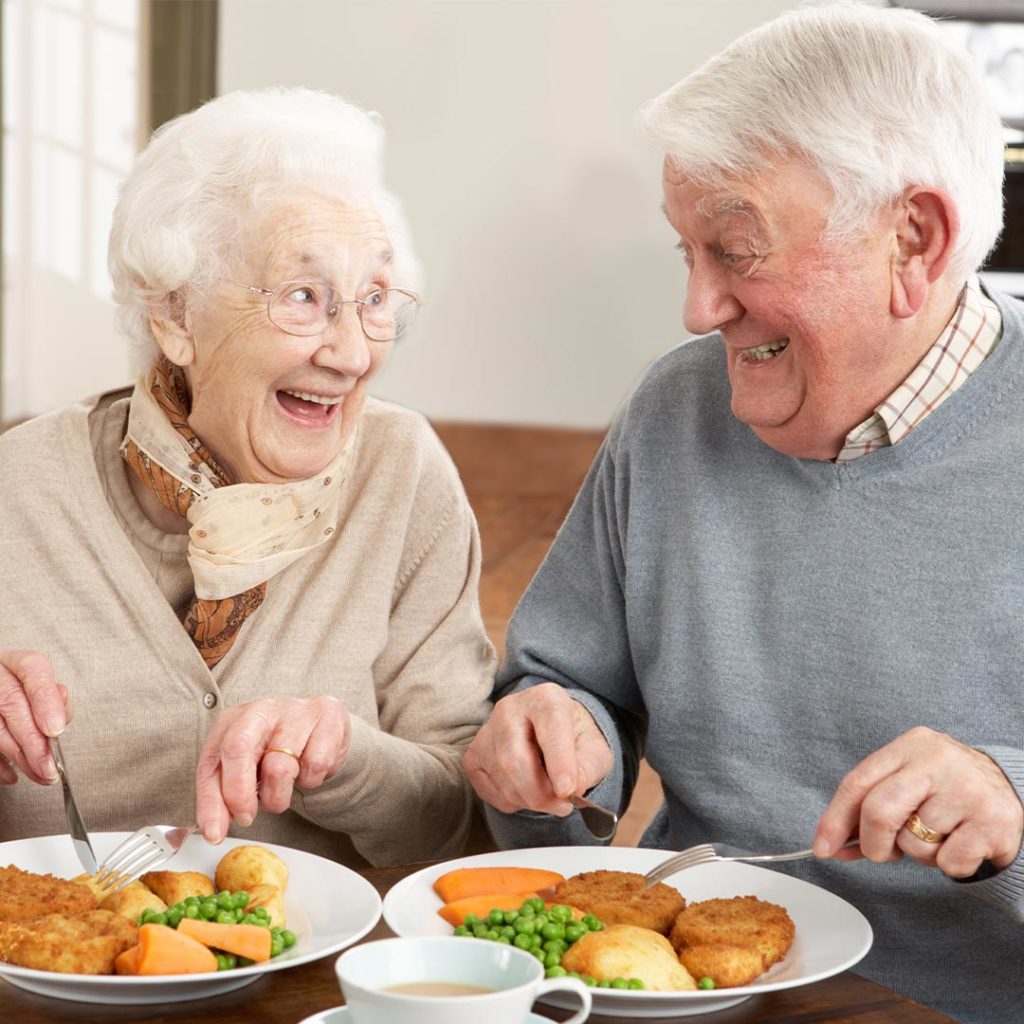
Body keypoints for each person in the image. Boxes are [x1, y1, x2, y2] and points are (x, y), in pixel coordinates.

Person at [463, 5, 1024, 1022]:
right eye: (687, 251)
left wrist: (1012, 796)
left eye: (736, 248)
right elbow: (562, 680)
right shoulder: (673, 409)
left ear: (914, 239)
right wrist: (544, 733)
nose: (697, 308)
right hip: (666, 990)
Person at [0, 87, 496, 868]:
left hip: (315, 980)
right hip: (46, 978)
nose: (352, 352)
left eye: (372, 300)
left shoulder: (401, 476)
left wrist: (348, 759)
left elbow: (457, 823)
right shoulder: (17, 489)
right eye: (303, 297)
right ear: (173, 315)